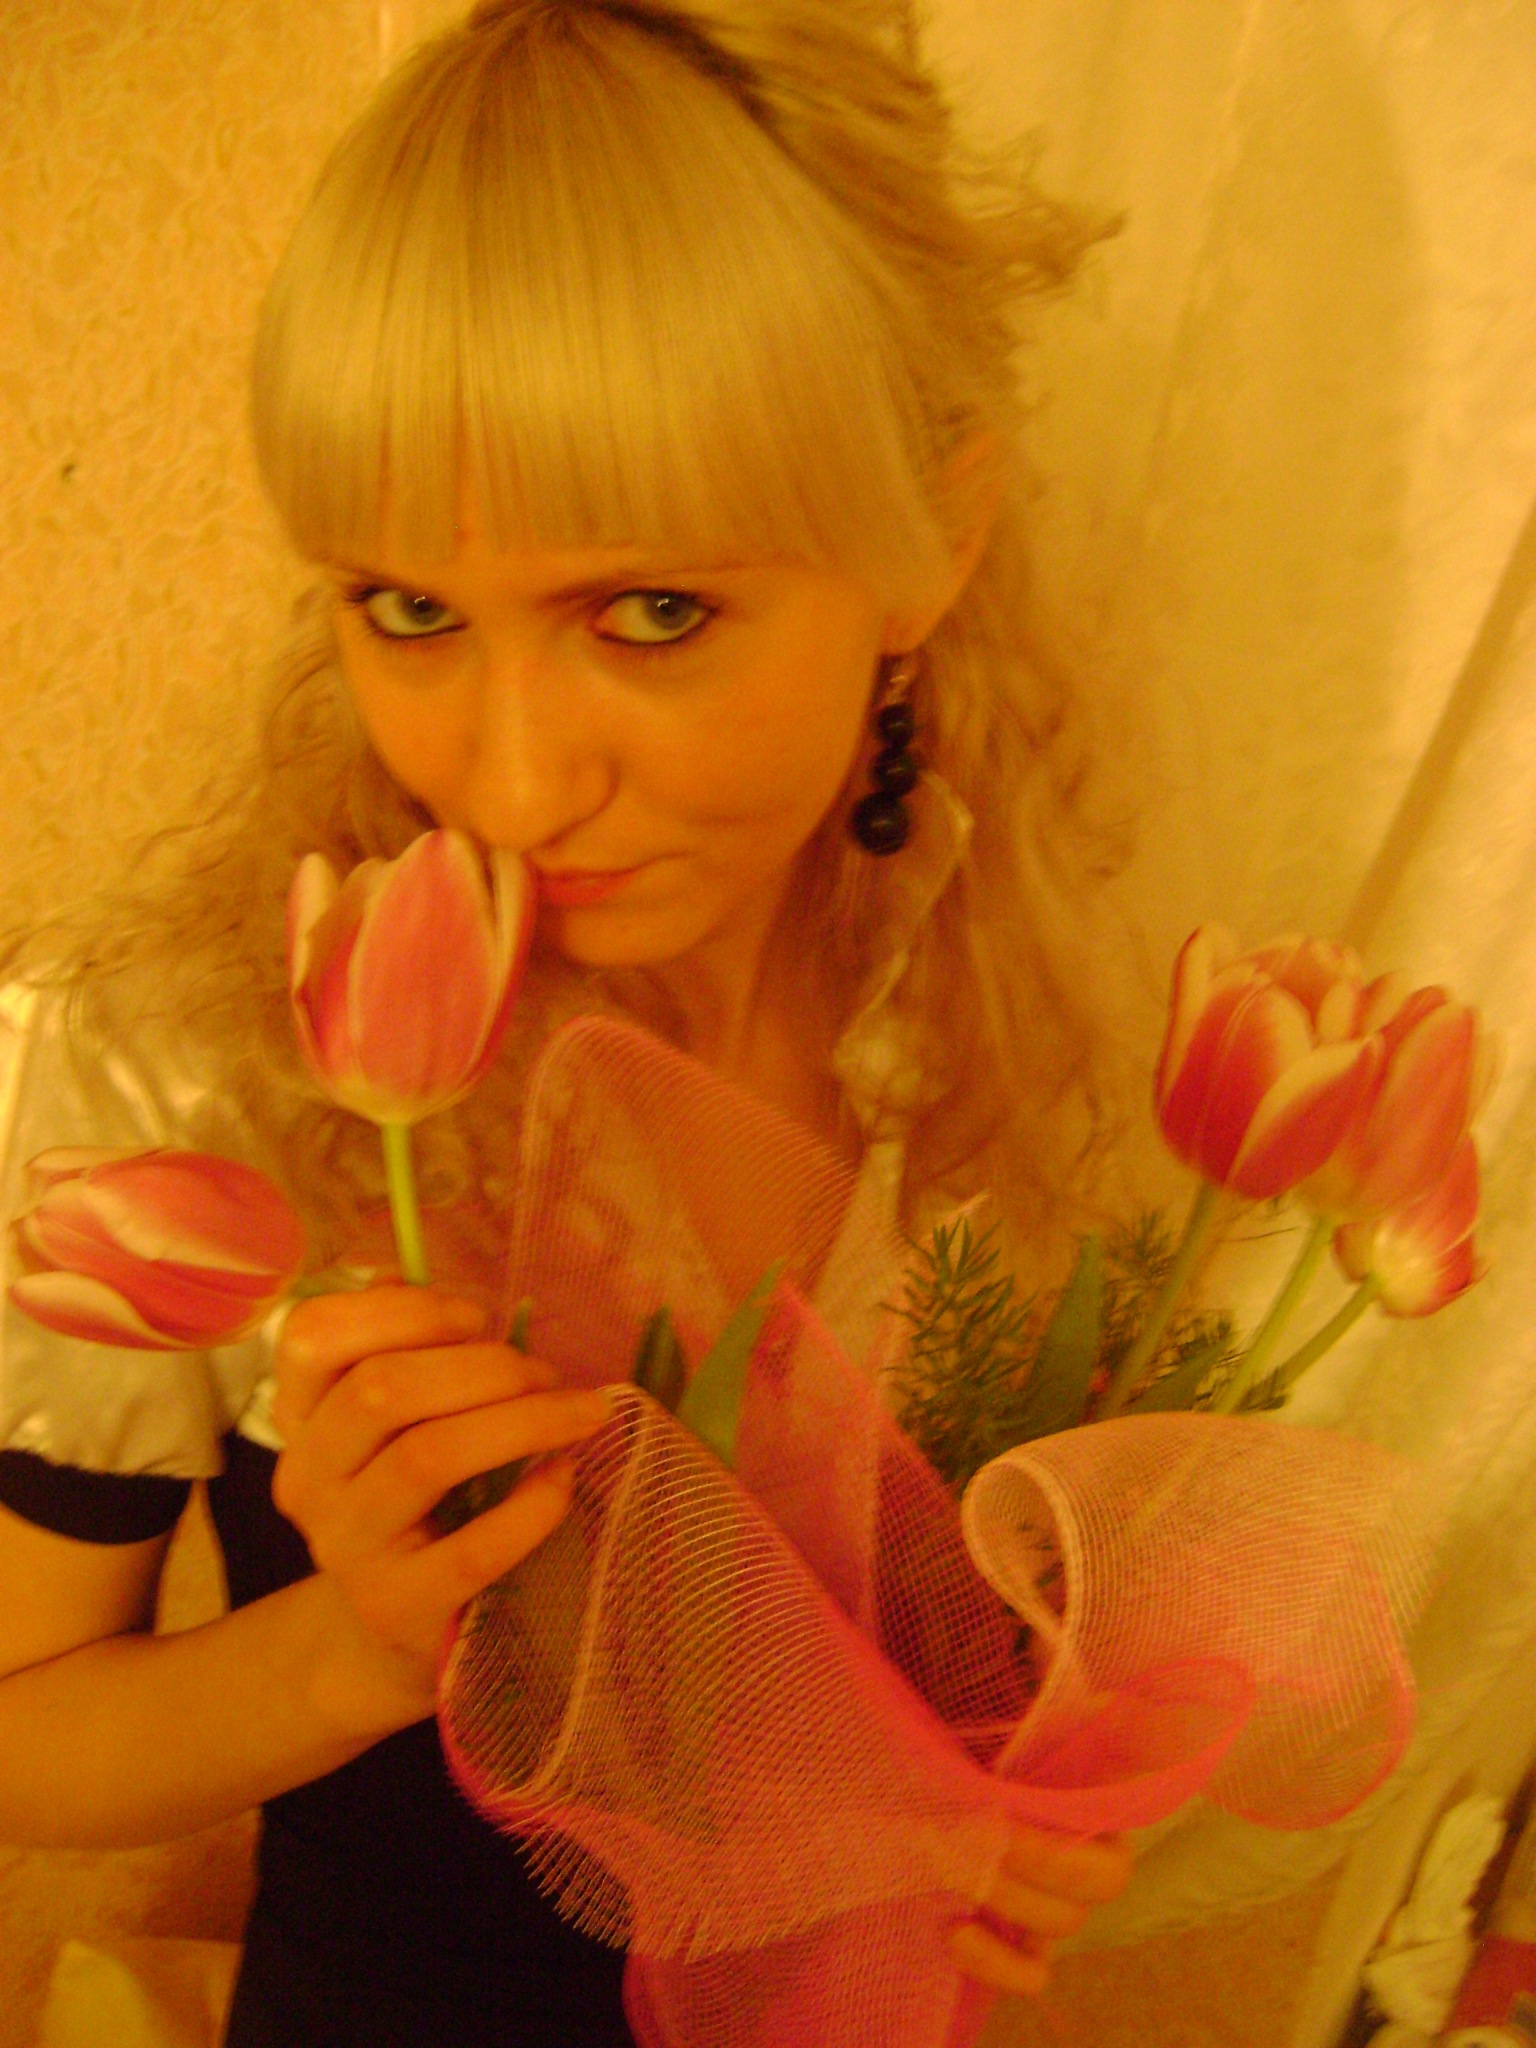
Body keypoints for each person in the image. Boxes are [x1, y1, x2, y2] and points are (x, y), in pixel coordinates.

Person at [0, 2, 1138, 2042]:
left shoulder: (975, 1006)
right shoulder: (204, 1064)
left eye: (653, 611)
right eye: (409, 609)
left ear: (933, 543)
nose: (514, 789)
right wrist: (354, 1646)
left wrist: (993, 1813)